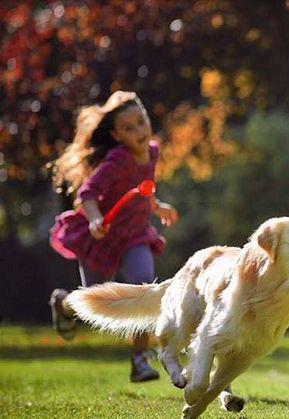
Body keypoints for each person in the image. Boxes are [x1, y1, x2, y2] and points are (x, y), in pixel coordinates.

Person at [48, 91, 179, 383]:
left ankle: (140, 360)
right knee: (93, 301)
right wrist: (95, 219)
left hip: (134, 236)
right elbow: (88, 193)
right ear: (116, 135)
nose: (139, 131)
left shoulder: (153, 152)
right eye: (129, 128)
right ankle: (63, 304)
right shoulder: (118, 158)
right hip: (102, 238)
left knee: (144, 288)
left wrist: (157, 206)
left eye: (141, 122)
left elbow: (142, 188)